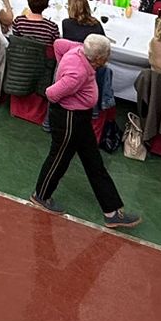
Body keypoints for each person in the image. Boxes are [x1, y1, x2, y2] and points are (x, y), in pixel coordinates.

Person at [30, 33, 141, 229]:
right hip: (69, 117)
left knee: (93, 162)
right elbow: (52, 94)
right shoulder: (78, 73)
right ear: (98, 58)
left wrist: (62, 66)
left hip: (79, 117)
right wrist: (68, 83)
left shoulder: (76, 48)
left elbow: (57, 44)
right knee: (60, 158)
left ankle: (112, 211)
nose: (108, 58)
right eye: (107, 55)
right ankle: (41, 195)